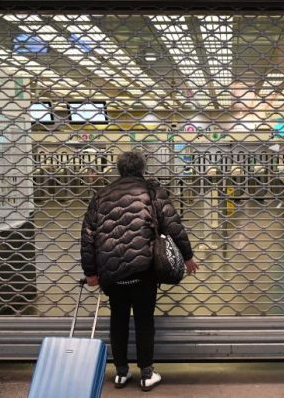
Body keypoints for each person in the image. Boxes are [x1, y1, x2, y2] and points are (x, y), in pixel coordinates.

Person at [80, 151, 199, 392]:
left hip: (111, 271)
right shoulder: (152, 191)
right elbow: (173, 224)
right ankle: (146, 373)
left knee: (118, 319)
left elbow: (88, 236)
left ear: (119, 169)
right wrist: (187, 257)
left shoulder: (101, 195)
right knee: (144, 320)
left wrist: (91, 272)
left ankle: (121, 373)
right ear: (142, 169)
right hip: (144, 269)